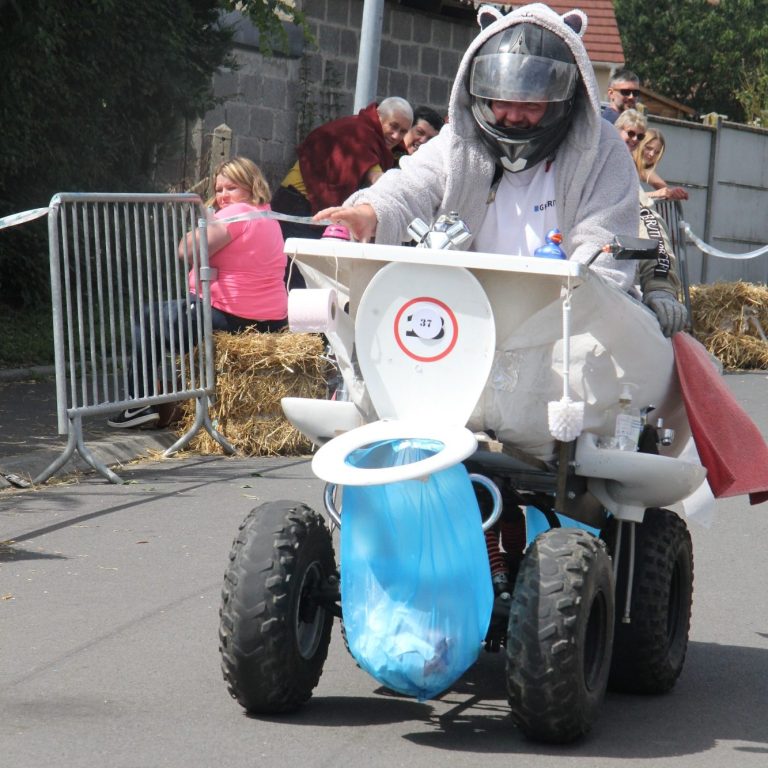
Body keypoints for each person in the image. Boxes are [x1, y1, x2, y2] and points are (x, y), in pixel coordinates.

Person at [315, 4, 640, 293]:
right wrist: (370, 212)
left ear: (562, 100)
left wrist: (570, 306)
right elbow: (411, 185)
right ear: (481, 95)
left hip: (563, 320)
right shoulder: (460, 142)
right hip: (466, 316)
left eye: (531, 105)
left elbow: (602, 244)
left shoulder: (602, 151)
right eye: (502, 102)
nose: (514, 116)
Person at [108, 157, 287, 428]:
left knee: (145, 316)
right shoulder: (268, 216)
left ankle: (139, 401)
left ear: (252, 186)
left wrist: (203, 223)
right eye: (219, 189)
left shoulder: (237, 213)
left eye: (232, 188)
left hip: (228, 315)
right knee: (163, 313)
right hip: (270, 321)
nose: (223, 196)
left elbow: (186, 250)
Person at [272, 97, 413, 289]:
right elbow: (377, 178)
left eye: (403, 131)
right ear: (379, 116)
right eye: (393, 126)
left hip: (311, 207)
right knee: (298, 278)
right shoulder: (359, 133)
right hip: (297, 204)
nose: (396, 136)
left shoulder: (372, 136)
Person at [615, 115, 688, 336]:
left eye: (639, 137)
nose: (634, 140)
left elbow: (648, 219)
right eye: (630, 134)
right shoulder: (591, 153)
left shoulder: (629, 167)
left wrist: (660, 286)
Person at [635, 127, 689, 201]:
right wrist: (655, 194)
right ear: (640, 144)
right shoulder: (627, 163)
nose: (651, 154)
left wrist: (673, 192)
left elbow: (664, 189)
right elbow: (628, 196)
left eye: (657, 152)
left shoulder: (643, 169)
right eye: (648, 148)